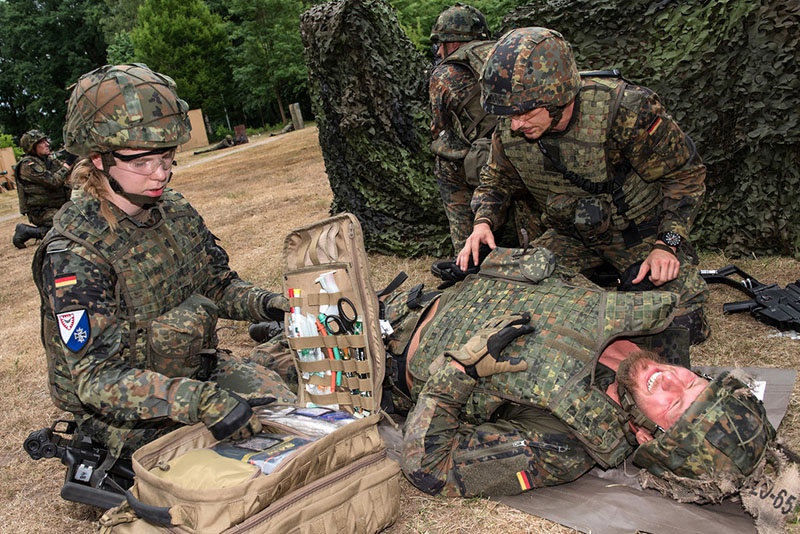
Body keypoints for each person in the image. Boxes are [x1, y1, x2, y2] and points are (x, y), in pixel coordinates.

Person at [29, 64, 296, 497]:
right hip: (126, 410)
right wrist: (203, 402)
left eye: (167, 157)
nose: (161, 173)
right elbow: (96, 378)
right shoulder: (77, 253)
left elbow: (216, 284)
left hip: (192, 370)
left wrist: (272, 304)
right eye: (145, 161)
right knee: (232, 482)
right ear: (98, 159)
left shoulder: (172, 210)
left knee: (285, 418)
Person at [380, 246, 773, 503]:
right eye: (691, 384)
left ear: (645, 435)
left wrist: (459, 370)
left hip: (382, 349)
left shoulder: (562, 447)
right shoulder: (648, 324)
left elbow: (430, 470)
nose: (669, 381)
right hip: (419, 296)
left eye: (673, 406)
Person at [456, 27, 710, 344]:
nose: (516, 124)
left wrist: (666, 244)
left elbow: (685, 174)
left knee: (679, 324)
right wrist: (483, 222)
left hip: (637, 232)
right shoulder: (510, 126)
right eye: (509, 114)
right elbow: (495, 181)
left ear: (557, 97)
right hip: (568, 233)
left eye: (524, 112)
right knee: (514, 301)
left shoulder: (626, 111)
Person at [428, 4, 540, 254]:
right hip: (533, 152)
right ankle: (533, 250)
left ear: (447, 42)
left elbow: (440, 129)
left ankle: (467, 251)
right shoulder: (509, 57)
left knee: (446, 162)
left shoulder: (445, 73)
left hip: (492, 164)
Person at [12, 129, 72, 248]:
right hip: (42, 211)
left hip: (59, 206)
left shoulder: (49, 160)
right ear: (32, 146)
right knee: (68, 227)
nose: (47, 144)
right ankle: (27, 231)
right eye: (42, 142)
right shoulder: (28, 165)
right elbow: (53, 182)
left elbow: (69, 175)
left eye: (46, 140)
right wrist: (68, 165)